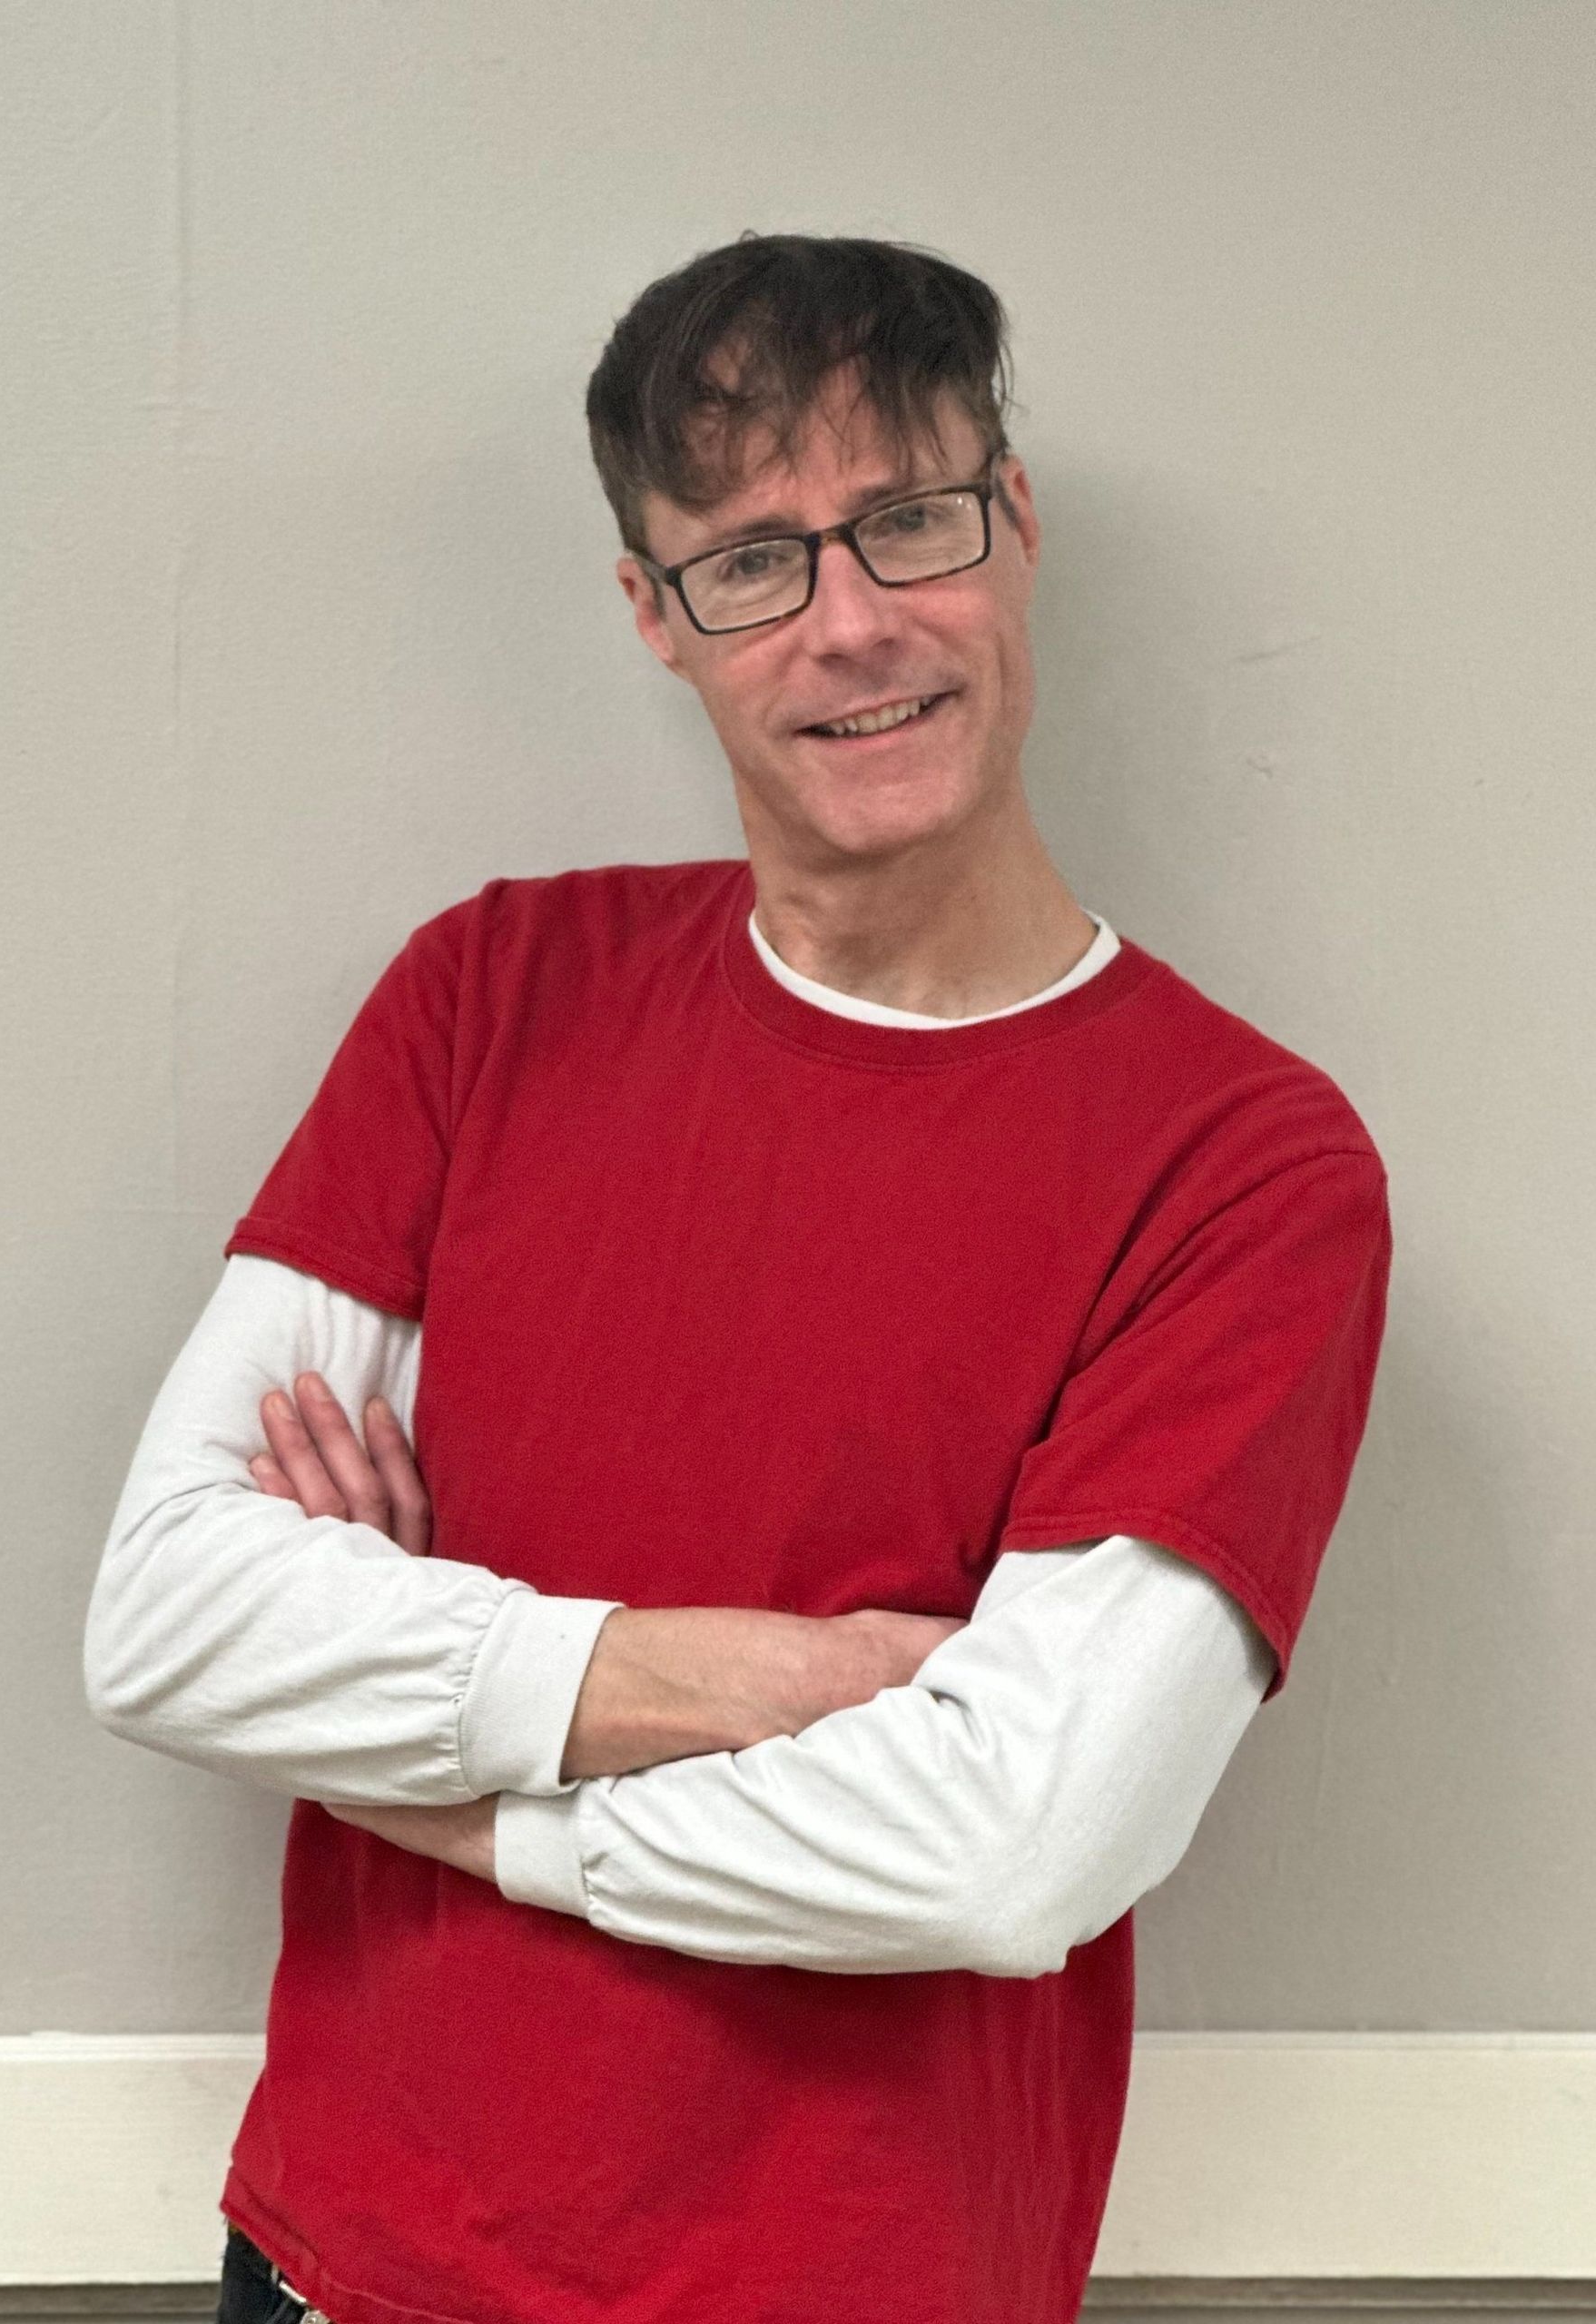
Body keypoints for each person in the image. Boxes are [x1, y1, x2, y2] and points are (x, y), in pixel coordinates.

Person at [84, 232, 1392, 2324]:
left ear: (1015, 520)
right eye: (753, 559)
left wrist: (448, 1788)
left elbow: (1010, 1843)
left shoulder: (1244, 1165)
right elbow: (166, 1616)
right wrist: (765, 1675)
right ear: (655, 615)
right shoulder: (489, 996)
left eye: (908, 520)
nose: (854, 621)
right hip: (343, 2261)